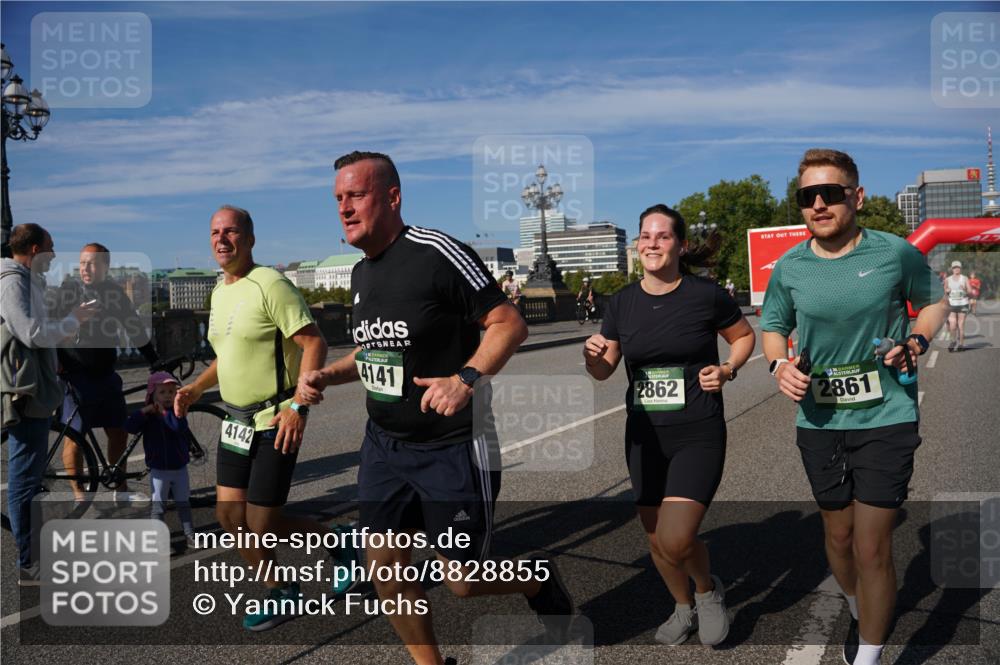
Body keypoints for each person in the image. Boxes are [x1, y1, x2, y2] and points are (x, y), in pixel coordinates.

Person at [297, 151, 573, 665]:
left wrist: (466, 379)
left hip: (452, 447)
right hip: (384, 447)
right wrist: (328, 374)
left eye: (355, 195)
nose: (344, 208)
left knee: (463, 582)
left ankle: (537, 579)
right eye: (338, 199)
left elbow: (509, 323)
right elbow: (375, 348)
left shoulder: (437, 253)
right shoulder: (360, 275)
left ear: (392, 197)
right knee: (386, 568)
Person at [762, 149, 948, 665]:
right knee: (838, 539)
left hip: (886, 415)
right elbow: (773, 327)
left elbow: (935, 300)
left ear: (857, 197)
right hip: (819, 419)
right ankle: (858, 604)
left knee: (871, 546)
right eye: (807, 196)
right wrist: (779, 367)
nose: (818, 204)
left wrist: (915, 340)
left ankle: (868, 651)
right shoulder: (790, 267)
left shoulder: (894, 252)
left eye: (831, 193)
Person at [173, 205, 357, 631]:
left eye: (231, 231)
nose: (222, 239)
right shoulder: (219, 291)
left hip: (276, 417)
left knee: (261, 523)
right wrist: (197, 388)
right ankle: (282, 589)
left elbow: (314, 343)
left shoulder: (270, 283)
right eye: (216, 232)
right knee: (229, 518)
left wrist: (299, 406)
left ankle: (338, 540)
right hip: (235, 422)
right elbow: (228, 355)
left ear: (249, 239)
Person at [583, 205, 754, 647]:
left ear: (679, 244)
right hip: (644, 436)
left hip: (697, 429)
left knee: (677, 538)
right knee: (656, 540)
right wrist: (592, 359)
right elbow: (605, 370)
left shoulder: (705, 294)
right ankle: (682, 607)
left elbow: (743, 337)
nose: (652, 244)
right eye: (645, 236)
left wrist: (729, 370)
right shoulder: (620, 302)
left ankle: (707, 590)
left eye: (662, 236)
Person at [1, 224, 95, 584]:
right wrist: (74, 321)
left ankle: (35, 551)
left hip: (37, 384)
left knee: (31, 475)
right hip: (24, 390)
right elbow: (32, 333)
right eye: (52, 249)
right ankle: (28, 562)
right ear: (37, 249)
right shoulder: (12, 282)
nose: (55, 256)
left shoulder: (27, 280)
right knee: (24, 480)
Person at [49, 242, 159, 502]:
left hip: (106, 375)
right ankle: (79, 495)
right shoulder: (68, 291)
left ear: (105, 267)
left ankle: (120, 490)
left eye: (92, 263)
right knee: (75, 438)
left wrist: (155, 361)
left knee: (118, 432)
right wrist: (55, 359)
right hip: (75, 377)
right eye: (82, 262)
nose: (85, 268)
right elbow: (48, 329)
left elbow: (134, 328)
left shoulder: (114, 293)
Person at [126, 371, 200, 551]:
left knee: (183, 503)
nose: (167, 396)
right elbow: (128, 426)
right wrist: (144, 411)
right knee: (159, 508)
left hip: (180, 469)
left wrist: (170, 413)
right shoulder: (148, 417)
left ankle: (189, 534)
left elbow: (177, 427)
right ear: (152, 395)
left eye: (171, 392)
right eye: (162, 392)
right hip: (158, 471)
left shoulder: (177, 414)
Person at [944, 260, 970, 352]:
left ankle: (961, 344)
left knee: (961, 325)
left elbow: (970, 291)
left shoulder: (965, 278)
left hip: (963, 303)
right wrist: (947, 291)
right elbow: (945, 292)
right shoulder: (947, 279)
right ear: (952, 269)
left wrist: (965, 289)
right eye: (954, 267)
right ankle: (953, 341)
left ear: (960, 268)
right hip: (952, 304)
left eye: (958, 267)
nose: (956, 269)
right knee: (952, 325)